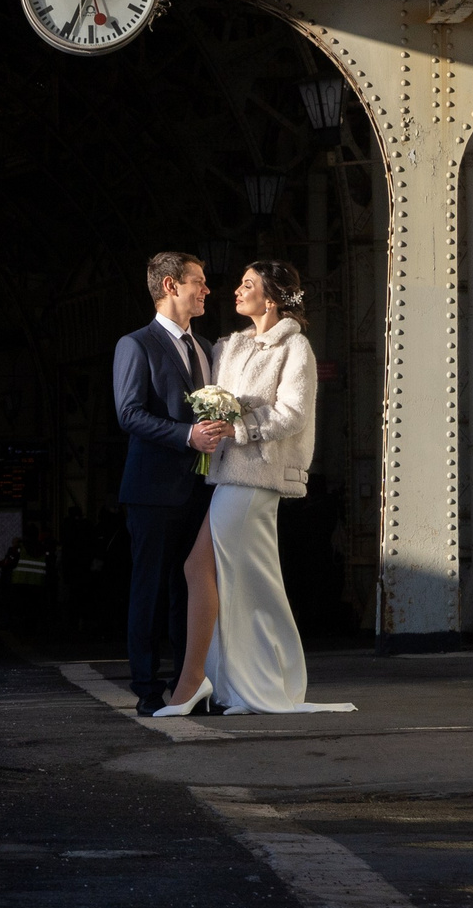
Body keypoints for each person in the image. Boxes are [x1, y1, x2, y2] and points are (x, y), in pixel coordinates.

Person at [158, 260, 356, 716]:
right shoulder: (229, 346)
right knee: (230, 579)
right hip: (228, 475)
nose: (236, 290)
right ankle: (236, 682)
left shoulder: (295, 347)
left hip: (257, 478)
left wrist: (239, 427)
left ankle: (198, 683)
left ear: (270, 299)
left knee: (214, 573)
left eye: (248, 284)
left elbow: (294, 414)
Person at [113, 251, 230, 715]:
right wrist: (187, 435)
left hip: (201, 490)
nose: (206, 290)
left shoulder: (205, 347)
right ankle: (146, 689)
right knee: (150, 589)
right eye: (198, 281)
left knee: (192, 589)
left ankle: (187, 688)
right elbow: (129, 414)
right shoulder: (135, 345)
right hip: (152, 491)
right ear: (170, 286)